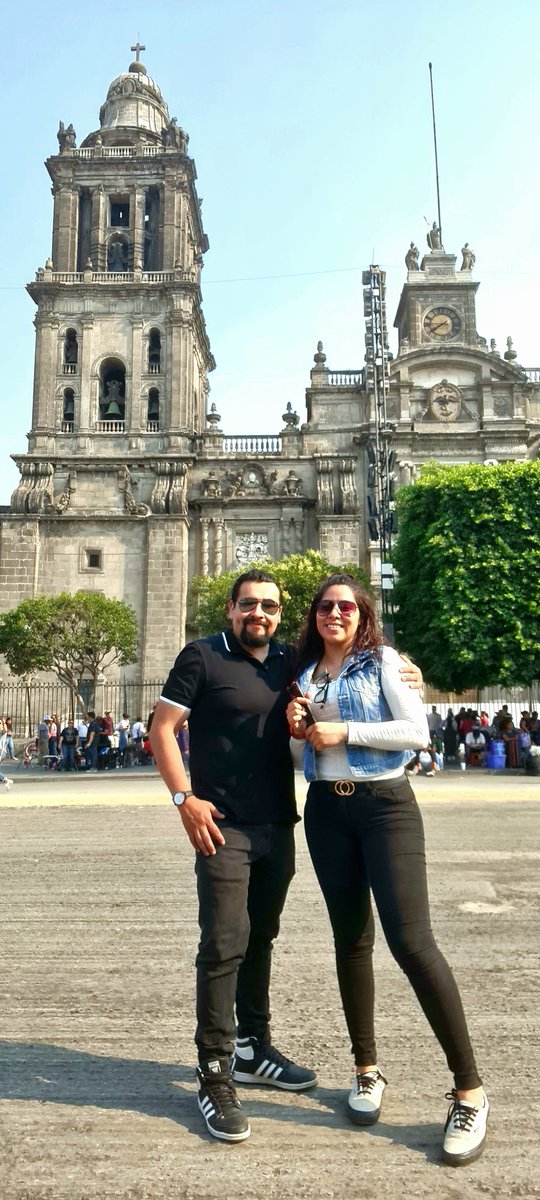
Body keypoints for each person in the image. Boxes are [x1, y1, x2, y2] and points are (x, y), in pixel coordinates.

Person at [150, 569, 423, 1144]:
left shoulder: (288, 664)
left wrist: (404, 670)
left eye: (270, 607)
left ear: (280, 615)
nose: (259, 614)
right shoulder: (200, 656)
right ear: (230, 609)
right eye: (249, 604)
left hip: (279, 823)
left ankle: (253, 1047)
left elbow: (344, 669)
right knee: (223, 943)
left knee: (260, 938)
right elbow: (163, 728)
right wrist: (184, 799)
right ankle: (214, 1072)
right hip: (222, 826)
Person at [286, 574, 488, 1167]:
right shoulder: (303, 676)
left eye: (347, 606)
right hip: (327, 809)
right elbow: (304, 754)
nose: (336, 614)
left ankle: (470, 1091)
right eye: (326, 606)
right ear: (314, 615)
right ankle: (366, 1069)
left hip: (385, 807)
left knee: (412, 941)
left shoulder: (383, 663)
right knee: (351, 941)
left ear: (362, 614)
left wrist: (344, 729)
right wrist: (300, 735)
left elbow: (417, 733)